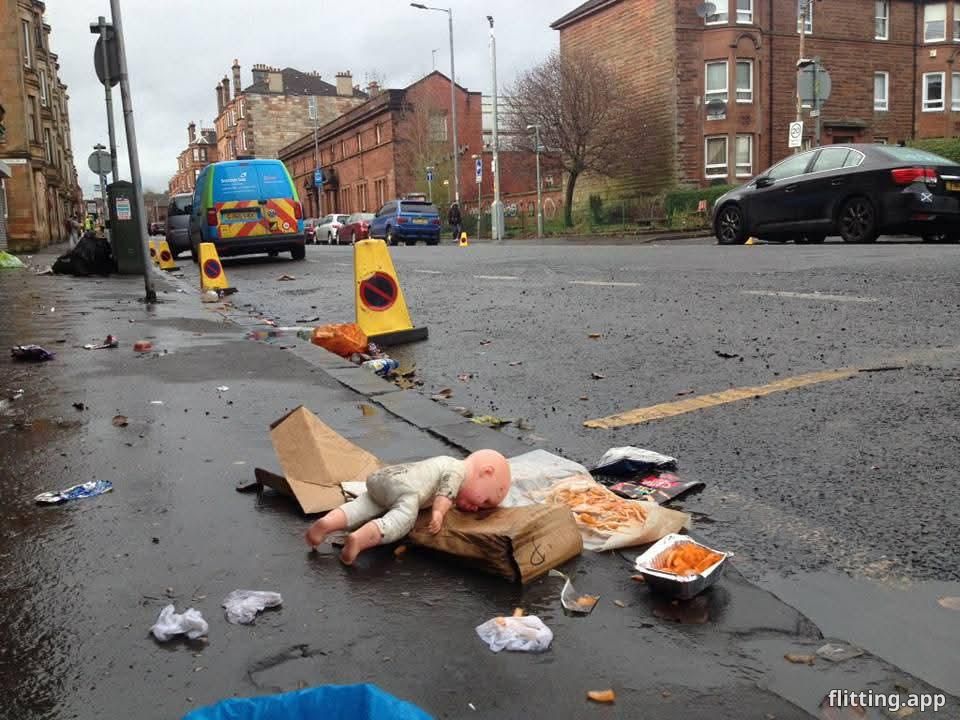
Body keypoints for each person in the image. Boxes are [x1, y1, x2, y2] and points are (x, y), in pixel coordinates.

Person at [305, 449, 512, 564]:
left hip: (382, 478)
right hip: (406, 488)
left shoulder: (445, 461)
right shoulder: (457, 471)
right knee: (402, 518)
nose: (479, 508)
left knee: (364, 505)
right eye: (485, 501)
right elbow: (445, 493)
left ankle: (325, 525)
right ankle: (359, 540)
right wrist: (438, 513)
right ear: (486, 472)